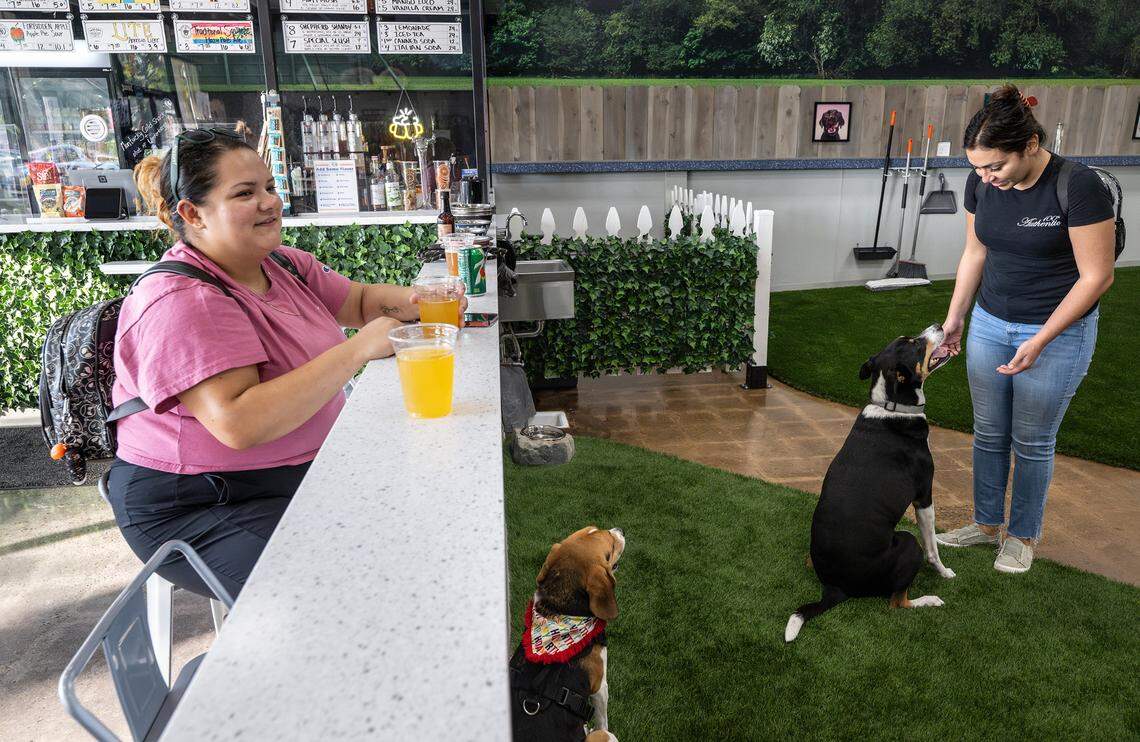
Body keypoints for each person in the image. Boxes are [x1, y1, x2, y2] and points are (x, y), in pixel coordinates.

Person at [107, 126, 463, 598]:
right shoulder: (184, 299)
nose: (269, 202)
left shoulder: (281, 264)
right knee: (343, 590)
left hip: (293, 474)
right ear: (193, 214)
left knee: (420, 526)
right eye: (245, 193)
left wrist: (425, 299)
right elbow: (240, 423)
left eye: (270, 187)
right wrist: (357, 349)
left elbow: (359, 302)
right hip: (203, 500)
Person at [935, 85, 1115, 573]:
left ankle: (1021, 536)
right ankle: (985, 524)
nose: (986, 177)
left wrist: (1041, 339)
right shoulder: (981, 184)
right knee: (988, 432)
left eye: (995, 166)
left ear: (1030, 145)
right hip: (990, 322)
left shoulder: (1078, 186)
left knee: (1032, 441)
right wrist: (956, 318)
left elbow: (1097, 277)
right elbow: (975, 251)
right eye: (978, 168)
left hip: (1057, 332)